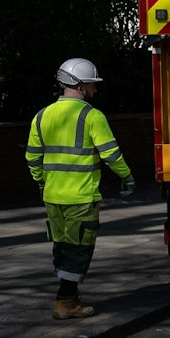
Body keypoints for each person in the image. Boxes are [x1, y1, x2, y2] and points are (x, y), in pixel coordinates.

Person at [26, 58, 134, 319]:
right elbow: (111, 155)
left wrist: (42, 181)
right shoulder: (92, 116)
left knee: (62, 247)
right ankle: (65, 302)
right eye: (91, 85)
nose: (95, 91)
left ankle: (70, 299)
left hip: (52, 196)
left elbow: (32, 157)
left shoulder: (41, 116)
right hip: (81, 196)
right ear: (80, 86)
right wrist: (127, 177)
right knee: (79, 249)